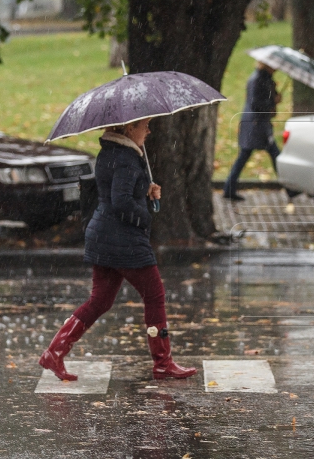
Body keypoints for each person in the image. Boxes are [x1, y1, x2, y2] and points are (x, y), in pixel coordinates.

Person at [38, 118, 197, 381]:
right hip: (123, 240)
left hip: (103, 235)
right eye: (144, 125)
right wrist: (145, 215)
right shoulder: (126, 158)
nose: (148, 129)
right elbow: (121, 202)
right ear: (128, 129)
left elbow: (115, 189)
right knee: (155, 295)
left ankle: (54, 353)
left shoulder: (110, 153)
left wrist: (145, 191)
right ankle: (162, 363)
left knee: (100, 301)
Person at [223, 62, 295, 201]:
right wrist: (273, 101)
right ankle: (289, 188)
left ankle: (229, 188)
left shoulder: (265, 80)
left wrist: (275, 99)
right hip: (256, 126)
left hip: (258, 124)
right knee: (272, 155)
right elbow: (256, 104)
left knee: (262, 155)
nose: (276, 67)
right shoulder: (258, 80)